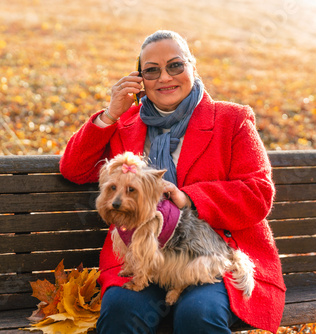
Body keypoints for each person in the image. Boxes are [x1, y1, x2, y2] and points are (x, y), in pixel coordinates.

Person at [60, 30, 286, 334]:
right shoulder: (125, 124)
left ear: (192, 66)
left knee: (198, 314)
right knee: (121, 313)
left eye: (175, 66)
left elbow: (258, 192)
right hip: (140, 258)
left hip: (210, 258)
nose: (165, 77)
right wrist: (111, 114)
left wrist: (188, 197)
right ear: (140, 80)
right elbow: (74, 169)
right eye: (152, 70)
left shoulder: (231, 120)